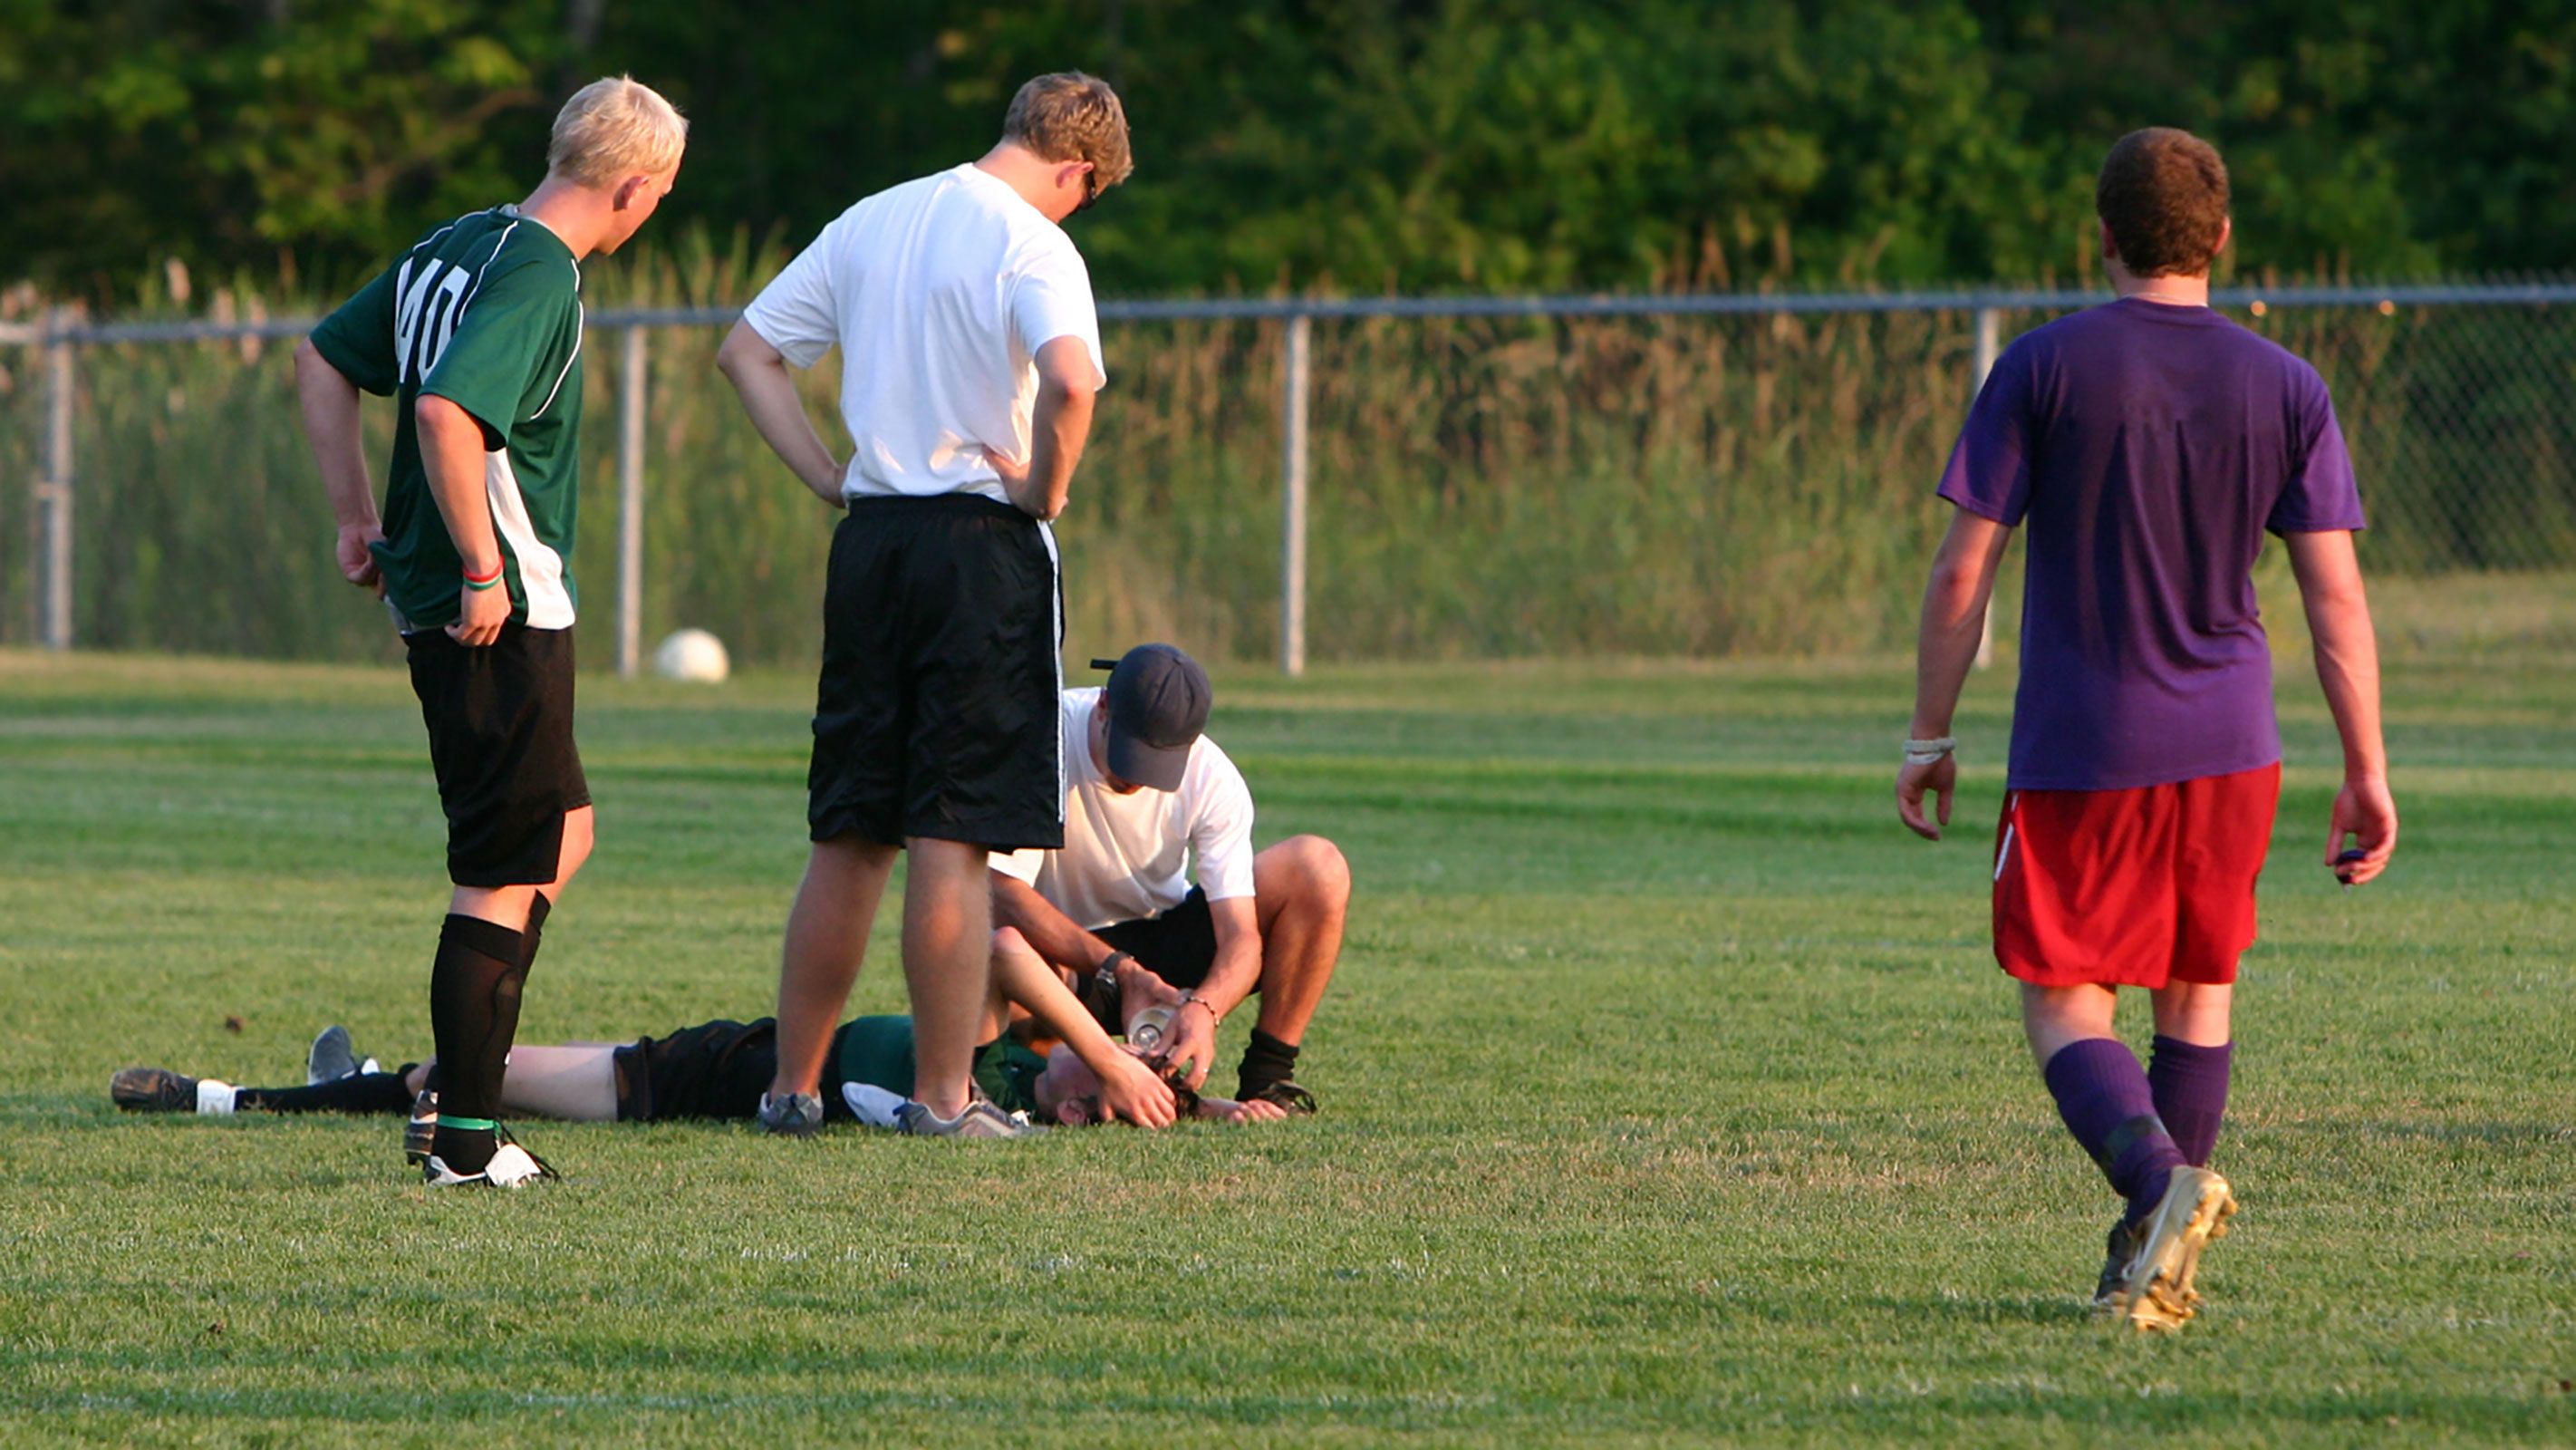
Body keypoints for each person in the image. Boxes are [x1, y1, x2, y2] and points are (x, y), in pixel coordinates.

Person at [1895, 128, 2397, 1331]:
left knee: (2063, 994)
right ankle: (2148, 1255)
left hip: (2083, 745)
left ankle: (2155, 1182)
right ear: (2219, 237)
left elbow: (1963, 572)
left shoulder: (2042, 367)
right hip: (2233, 745)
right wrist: (2366, 768)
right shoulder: (2285, 385)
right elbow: (2333, 599)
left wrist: (1926, 733)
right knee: (2193, 985)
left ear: (2102, 236)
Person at [715, 72, 1129, 1140]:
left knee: (850, 830)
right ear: (1077, 169)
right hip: (977, 553)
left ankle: (789, 1087)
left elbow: (748, 351)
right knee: (951, 836)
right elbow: (1074, 380)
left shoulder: (872, 219)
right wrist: (1046, 488)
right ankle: (944, 1099)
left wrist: (826, 476)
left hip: (872, 546)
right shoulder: (1034, 245)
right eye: (1087, 194)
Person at [294, 76, 688, 1188]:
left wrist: (354, 523)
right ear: (629, 188)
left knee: (561, 832)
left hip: (452, 589)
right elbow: (443, 411)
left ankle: (465, 1082)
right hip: (493, 606)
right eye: (659, 191)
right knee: (500, 868)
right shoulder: (540, 274)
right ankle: (463, 1137)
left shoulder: (459, 241)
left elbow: (321, 357)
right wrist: (478, 565)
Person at [105, 926, 1295, 1135]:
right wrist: (1115, 1045)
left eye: (1099, 1119)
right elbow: (991, 944)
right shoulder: (986, 1044)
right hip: (722, 1063)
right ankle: (253, 1098)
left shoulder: (994, 1115)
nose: (1086, 1106)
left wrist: (1219, 1111)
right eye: (1096, 1093)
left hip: (722, 1087)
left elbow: (1183, 1116)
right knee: (475, 1077)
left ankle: (281, 1090)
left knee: (477, 1080)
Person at [992, 644, 1349, 1113]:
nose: (1138, 778)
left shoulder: (1211, 776)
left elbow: (1240, 939)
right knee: (1000, 952)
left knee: (1317, 867)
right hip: (1063, 954)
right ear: (1103, 706)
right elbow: (1002, 893)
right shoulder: (1040, 742)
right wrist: (1120, 969)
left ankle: (1269, 1080)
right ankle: (1057, 1077)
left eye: (1158, 763)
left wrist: (1205, 1008)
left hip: (1161, 931)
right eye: (1131, 755)